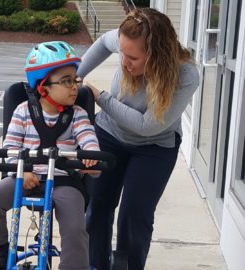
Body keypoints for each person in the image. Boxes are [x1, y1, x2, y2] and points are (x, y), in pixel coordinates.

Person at [77, 7, 200, 270]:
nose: (124, 62)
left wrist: (100, 96)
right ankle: (95, 266)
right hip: (109, 134)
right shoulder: (128, 38)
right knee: (97, 208)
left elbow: (147, 126)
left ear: (156, 56)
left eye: (132, 57)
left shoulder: (186, 75)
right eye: (122, 53)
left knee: (134, 217)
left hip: (153, 148)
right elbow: (101, 43)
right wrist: (76, 76)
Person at [0, 41, 100, 270]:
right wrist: (21, 171)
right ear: (43, 86)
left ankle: (74, 266)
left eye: (75, 80)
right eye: (66, 81)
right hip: (25, 177)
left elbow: (88, 140)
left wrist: (90, 157)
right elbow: (11, 148)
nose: (75, 86)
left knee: (75, 227)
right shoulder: (23, 111)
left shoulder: (78, 114)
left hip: (64, 181)